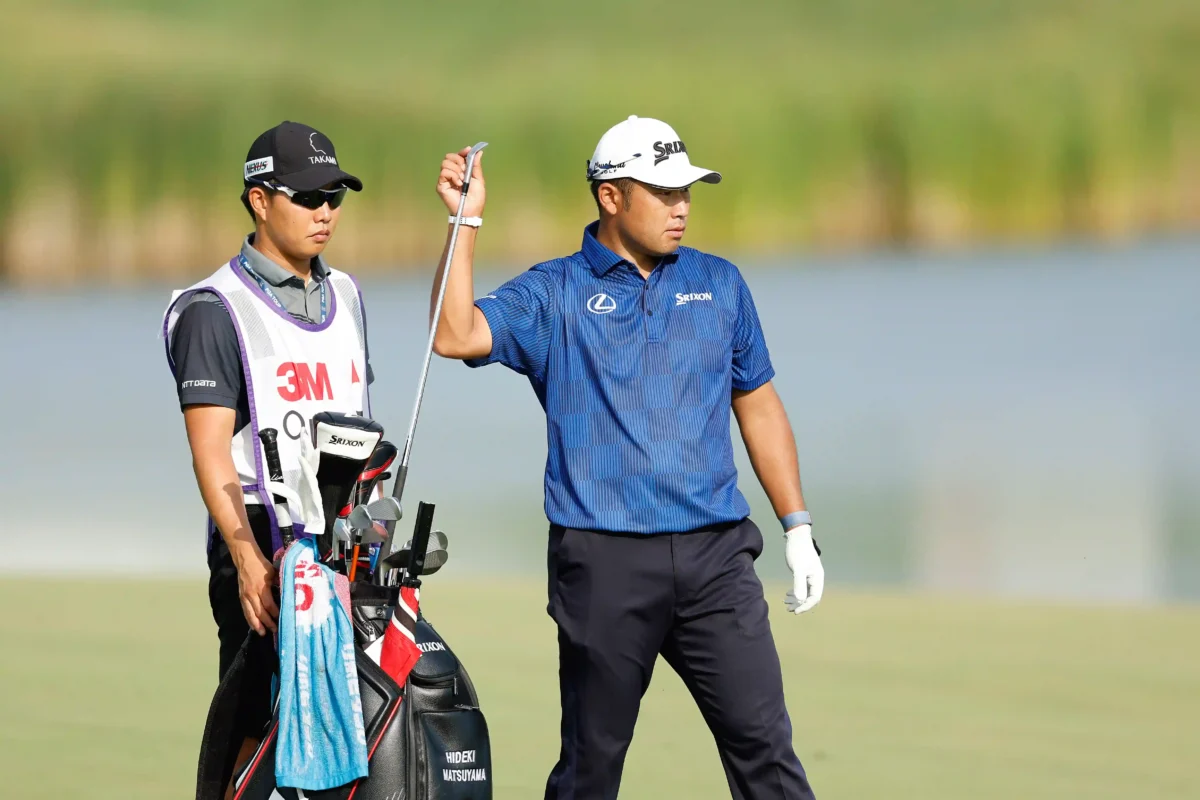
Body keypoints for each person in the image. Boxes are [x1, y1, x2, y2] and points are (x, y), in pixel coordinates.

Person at [429, 115, 825, 798]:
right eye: (663, 191)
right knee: (591, 767)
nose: (681, 207)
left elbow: (757, 403)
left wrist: (798, 528)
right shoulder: (553, 293)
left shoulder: (720, 283)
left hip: (716, 559)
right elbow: (454, 333)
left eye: (687, 192)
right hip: (603, 563)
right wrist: (466, 222)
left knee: (767, 752)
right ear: (610, 196)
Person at [162, 121, 374, 798]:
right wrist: (249, 559)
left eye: (335, 197)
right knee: (258, 722)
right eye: (309, 197)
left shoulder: (347, 296)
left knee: (356, 715)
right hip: (260, 534)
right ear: (259, 200)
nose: (326, 213)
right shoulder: (212, 310)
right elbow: (211, 454)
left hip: (347, 533)